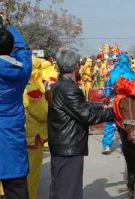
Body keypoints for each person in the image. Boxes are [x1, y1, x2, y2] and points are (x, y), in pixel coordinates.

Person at [47, 49, 115, 199]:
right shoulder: (69, 89)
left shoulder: (61, 85)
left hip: (62, 147)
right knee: (68, 193)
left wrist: (99, 105)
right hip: (68, 149)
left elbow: (80, 107)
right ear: (76, 66)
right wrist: (115, 112)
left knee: (59, 190)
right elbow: (87, 116)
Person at [0, 13, 32, 199]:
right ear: (11, 47)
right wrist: (8, 25)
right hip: (12, 141)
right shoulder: (21, 71)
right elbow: (24, 50)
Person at [23, 56, 48, 199]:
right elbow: (43, 113)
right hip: (31, 137)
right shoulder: (31, 88)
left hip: (14, 134)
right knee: (31, 173)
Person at [102, 54, 135, 154]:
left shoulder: (112, 73)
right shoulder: (132, 74)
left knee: (110, 122)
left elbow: (107, 87)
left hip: (114, 99)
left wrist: (108, 95)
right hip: (128, 101)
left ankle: (106, 146)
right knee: (126, 122)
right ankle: (125, 145)